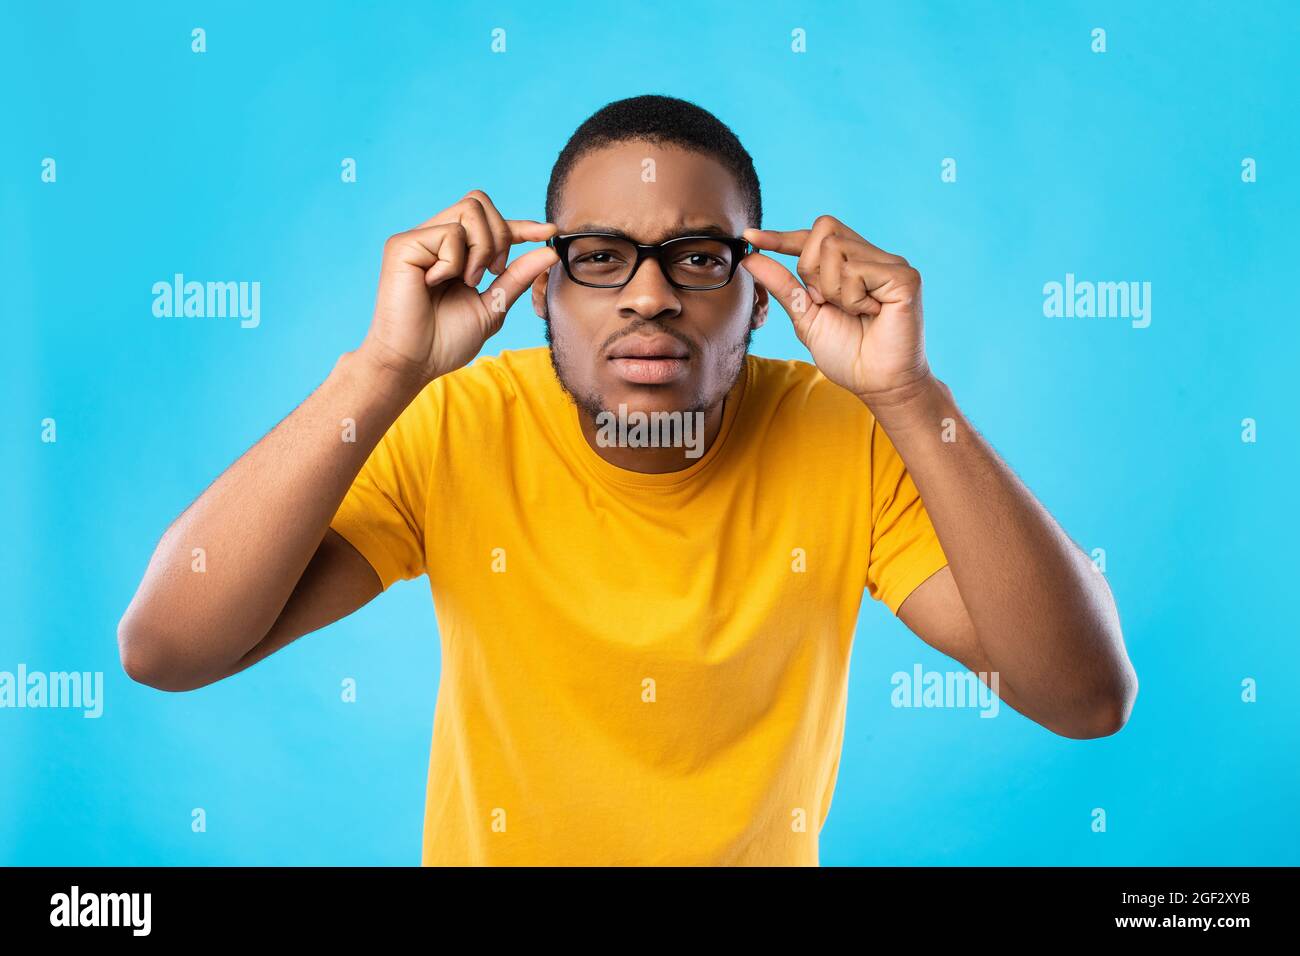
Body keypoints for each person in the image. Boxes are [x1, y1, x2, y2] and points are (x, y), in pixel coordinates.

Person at [118, 94, 1137, 866]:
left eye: (696, 257)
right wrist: (381, 371)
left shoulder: (853, 435)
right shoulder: (452, 423)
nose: (648, 296)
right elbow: (166, 645)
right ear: (536, 289)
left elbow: (1085, 698)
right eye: (600, 255)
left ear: (761, 297)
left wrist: (911, 396)